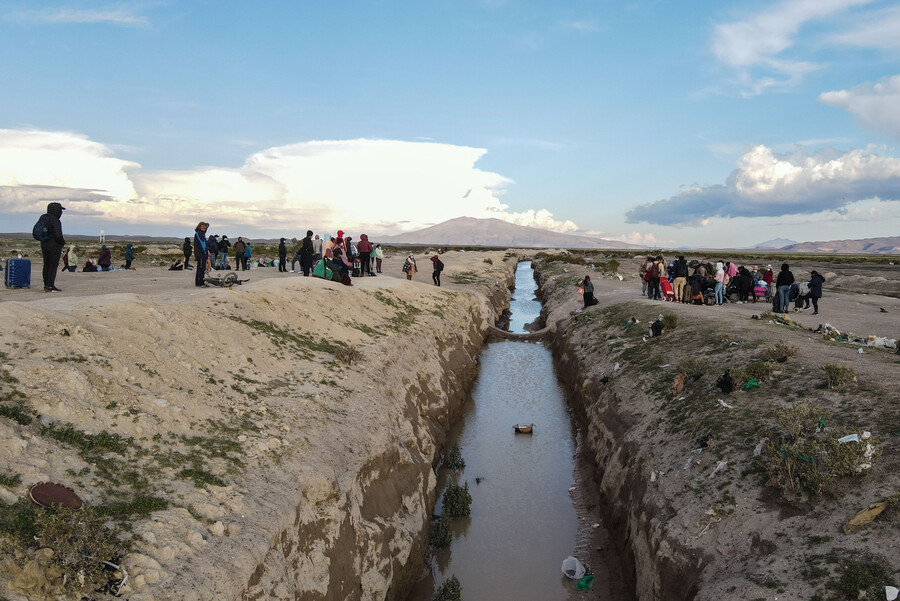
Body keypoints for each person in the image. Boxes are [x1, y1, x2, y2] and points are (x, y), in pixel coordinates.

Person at [39, 202, 66, 292]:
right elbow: (58, 235)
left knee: (46, 265)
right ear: (56, 210)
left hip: (44, 244)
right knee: (53, 266)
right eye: (60, 210)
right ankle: (50, 285)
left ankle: (46, 285)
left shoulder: (44, 219)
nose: (61, 212)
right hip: (54, 247)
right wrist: (62, 242)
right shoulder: (55, 221)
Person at [193, 222, 209, 287]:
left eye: (204, 227)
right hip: (200, 254)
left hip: (202, 254)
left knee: (201, 268)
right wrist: (205, 252)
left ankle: (200, 282)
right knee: (201, 268)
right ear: (199, 227)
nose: (204, 227)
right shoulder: (198, 234)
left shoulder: (202, 234)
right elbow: (202, 244)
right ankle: (200, 282)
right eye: (202, 226)